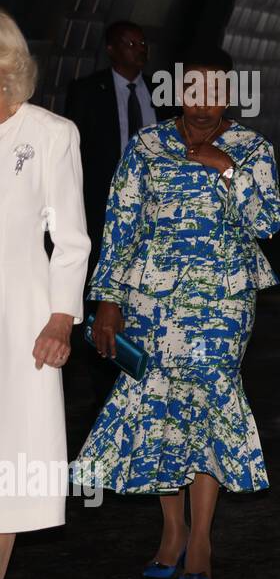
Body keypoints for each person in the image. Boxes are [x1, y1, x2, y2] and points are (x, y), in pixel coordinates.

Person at [71, 47, 280, 579]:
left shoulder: (252, 149)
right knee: (161, 407)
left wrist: (230, 171)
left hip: (222, 303)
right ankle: (172, 530)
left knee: (209, 402)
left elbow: (269, 222)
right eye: (193, 91)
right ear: (176, 93)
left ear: (230, 96)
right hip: (151, 301)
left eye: (215, 93)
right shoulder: (146, 147)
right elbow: (119, 226)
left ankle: (203, 539)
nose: (203, 104)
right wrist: (107, 300)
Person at [0, 10, 92, 579]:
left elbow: (71, 239)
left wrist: (61, 318)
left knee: (9, 469)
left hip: (21, 320)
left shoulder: (51, 134)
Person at [63, 21, 175, 406]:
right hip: (104, 219)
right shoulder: (86, 93)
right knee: (104, 306)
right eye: (129, 44)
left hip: (156, 222)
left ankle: (148, 385)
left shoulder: (163, 94)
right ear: (111, 49)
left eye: (143, 43)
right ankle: (104, 387)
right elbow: (73, 162)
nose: (138, 50)